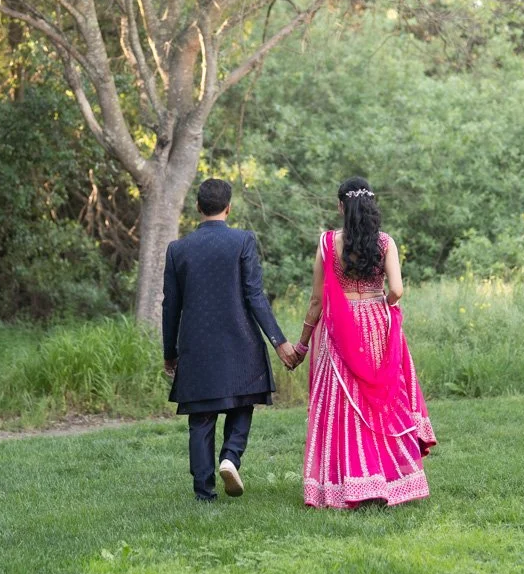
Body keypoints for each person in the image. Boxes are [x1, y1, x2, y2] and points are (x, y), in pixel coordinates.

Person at [293, 177, 436, 508]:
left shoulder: (328, 243)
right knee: (380, 401)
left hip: (340, 330)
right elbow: (397, 290)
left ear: (341, 206)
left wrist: (301, 345)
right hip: (376, 325)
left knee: (340, 405)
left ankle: (345, 485)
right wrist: (382, 303)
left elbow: (316, 302)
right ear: (372, 205)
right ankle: (389, 479)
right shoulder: (385, 242)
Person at [161, 178, 300, 501]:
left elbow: (171, 306)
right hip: (241, 341)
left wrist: (170, 352)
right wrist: (279, 342)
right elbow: (255, 296)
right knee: (243, 402)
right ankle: (230, 457)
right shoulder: (242, 241)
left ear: (198, 207)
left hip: (196, 348)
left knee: (201, 418)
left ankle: (203, 491)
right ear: (229, 207)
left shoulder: (178, 250)